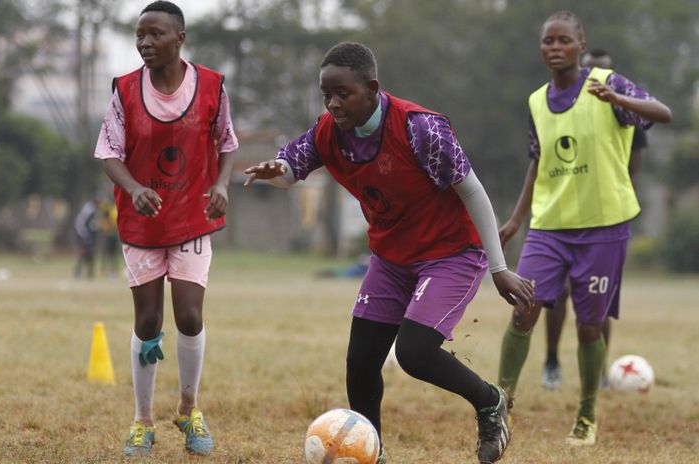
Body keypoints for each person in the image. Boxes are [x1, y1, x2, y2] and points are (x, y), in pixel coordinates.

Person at [245, 42, 534, 464]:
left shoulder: (421, 129)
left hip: (451, 251)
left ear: (372, 88)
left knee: (414, 353)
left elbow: (473, 191)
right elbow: (293, 166)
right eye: (326, 94)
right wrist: (277, 172)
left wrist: (499, 267)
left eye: (343, 94)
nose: (332, 103)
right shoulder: (330, 130)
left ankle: (490, 402)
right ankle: (370, 453)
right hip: (392, 256)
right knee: (361, 361)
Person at [496, 11, 671, 447]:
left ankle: (587, 414)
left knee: (589, 327)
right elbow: (537, 160)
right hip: (549, 227)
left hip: (604, 228)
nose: (554, 48)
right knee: (523, 309)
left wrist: (620, 102)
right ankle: (499, 407)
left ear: (580, 44)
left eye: (563, 40)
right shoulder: (537, 101)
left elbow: (663, 113)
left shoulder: (611, 84)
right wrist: (517, 218)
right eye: (547, 41)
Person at [93, 1, 238, 457]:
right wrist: (134, 188)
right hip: (142, 222)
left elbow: (228, 142)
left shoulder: (212, 86)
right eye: (140, 36)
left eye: (155, 34)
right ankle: (142, 421)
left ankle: (189, 409)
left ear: (180, 38)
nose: (145, 43)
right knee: (149, 320)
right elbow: (108, 153)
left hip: (192, 216)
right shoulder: (125, 90)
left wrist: (221, 183)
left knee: (190, 316)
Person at [534, 48, 651, 390]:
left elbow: (632, 168)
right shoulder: (561, 108)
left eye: (606, 73)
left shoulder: (624, 109)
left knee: (599, 300)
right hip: (564, 216)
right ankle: (552, 360)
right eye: (593, 71)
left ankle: (598, 372)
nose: (599, 79)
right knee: (558, 294)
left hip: (605, 220)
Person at [73, 198, 100, 279]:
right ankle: (79, 271)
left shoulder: (93, 209)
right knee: (85, 253)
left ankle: (89, 273)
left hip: (88, 236)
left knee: (89, 254)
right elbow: (80, 223)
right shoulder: (89, 209)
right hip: (85, 236)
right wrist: (84, 235)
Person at [98, 199, 121, 279]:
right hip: (110, 236)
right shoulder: (113, 210)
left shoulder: (112, 211)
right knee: (110, 255)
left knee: (110, 255)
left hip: (111, 236)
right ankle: (109, 270)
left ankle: (112, 271)